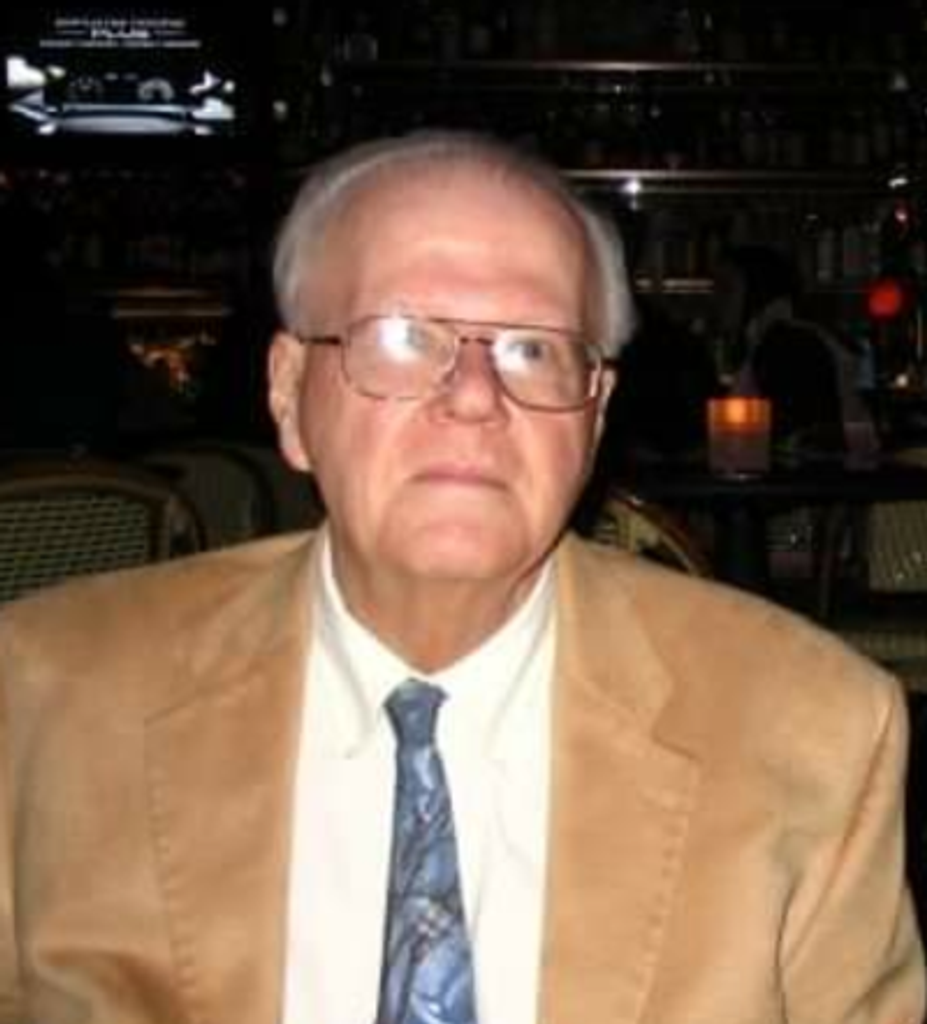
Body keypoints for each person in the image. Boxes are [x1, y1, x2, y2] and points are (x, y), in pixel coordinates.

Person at [0, 131, 922, 1024]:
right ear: (287, 393)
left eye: (532, 348)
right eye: (404, 337)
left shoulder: (811, 730)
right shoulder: (45, 698)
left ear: (594, 417)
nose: (475, 397)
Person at [716, 243, 880, 464]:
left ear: (757, 290)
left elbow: (801, 440)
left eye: (726, 289)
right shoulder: (787, 337)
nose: (715, 300)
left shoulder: (784, 345)